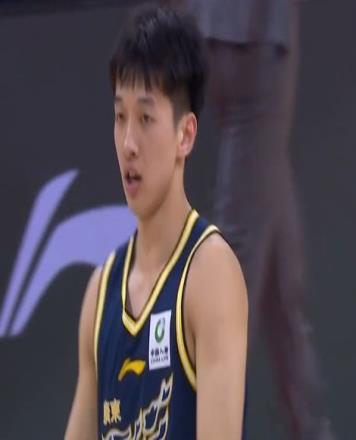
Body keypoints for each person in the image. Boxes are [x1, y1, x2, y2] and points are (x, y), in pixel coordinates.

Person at [65, 6, 248, 439]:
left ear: (186, 134)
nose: (129, 143)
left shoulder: (209, 273)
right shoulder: (101, 292)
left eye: (145, 119)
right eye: (120, 117)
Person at [160, 0, 334, 437]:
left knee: (280, 276)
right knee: (237, 264)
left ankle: (309, 427)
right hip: (259, 38)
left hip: (214, 34)